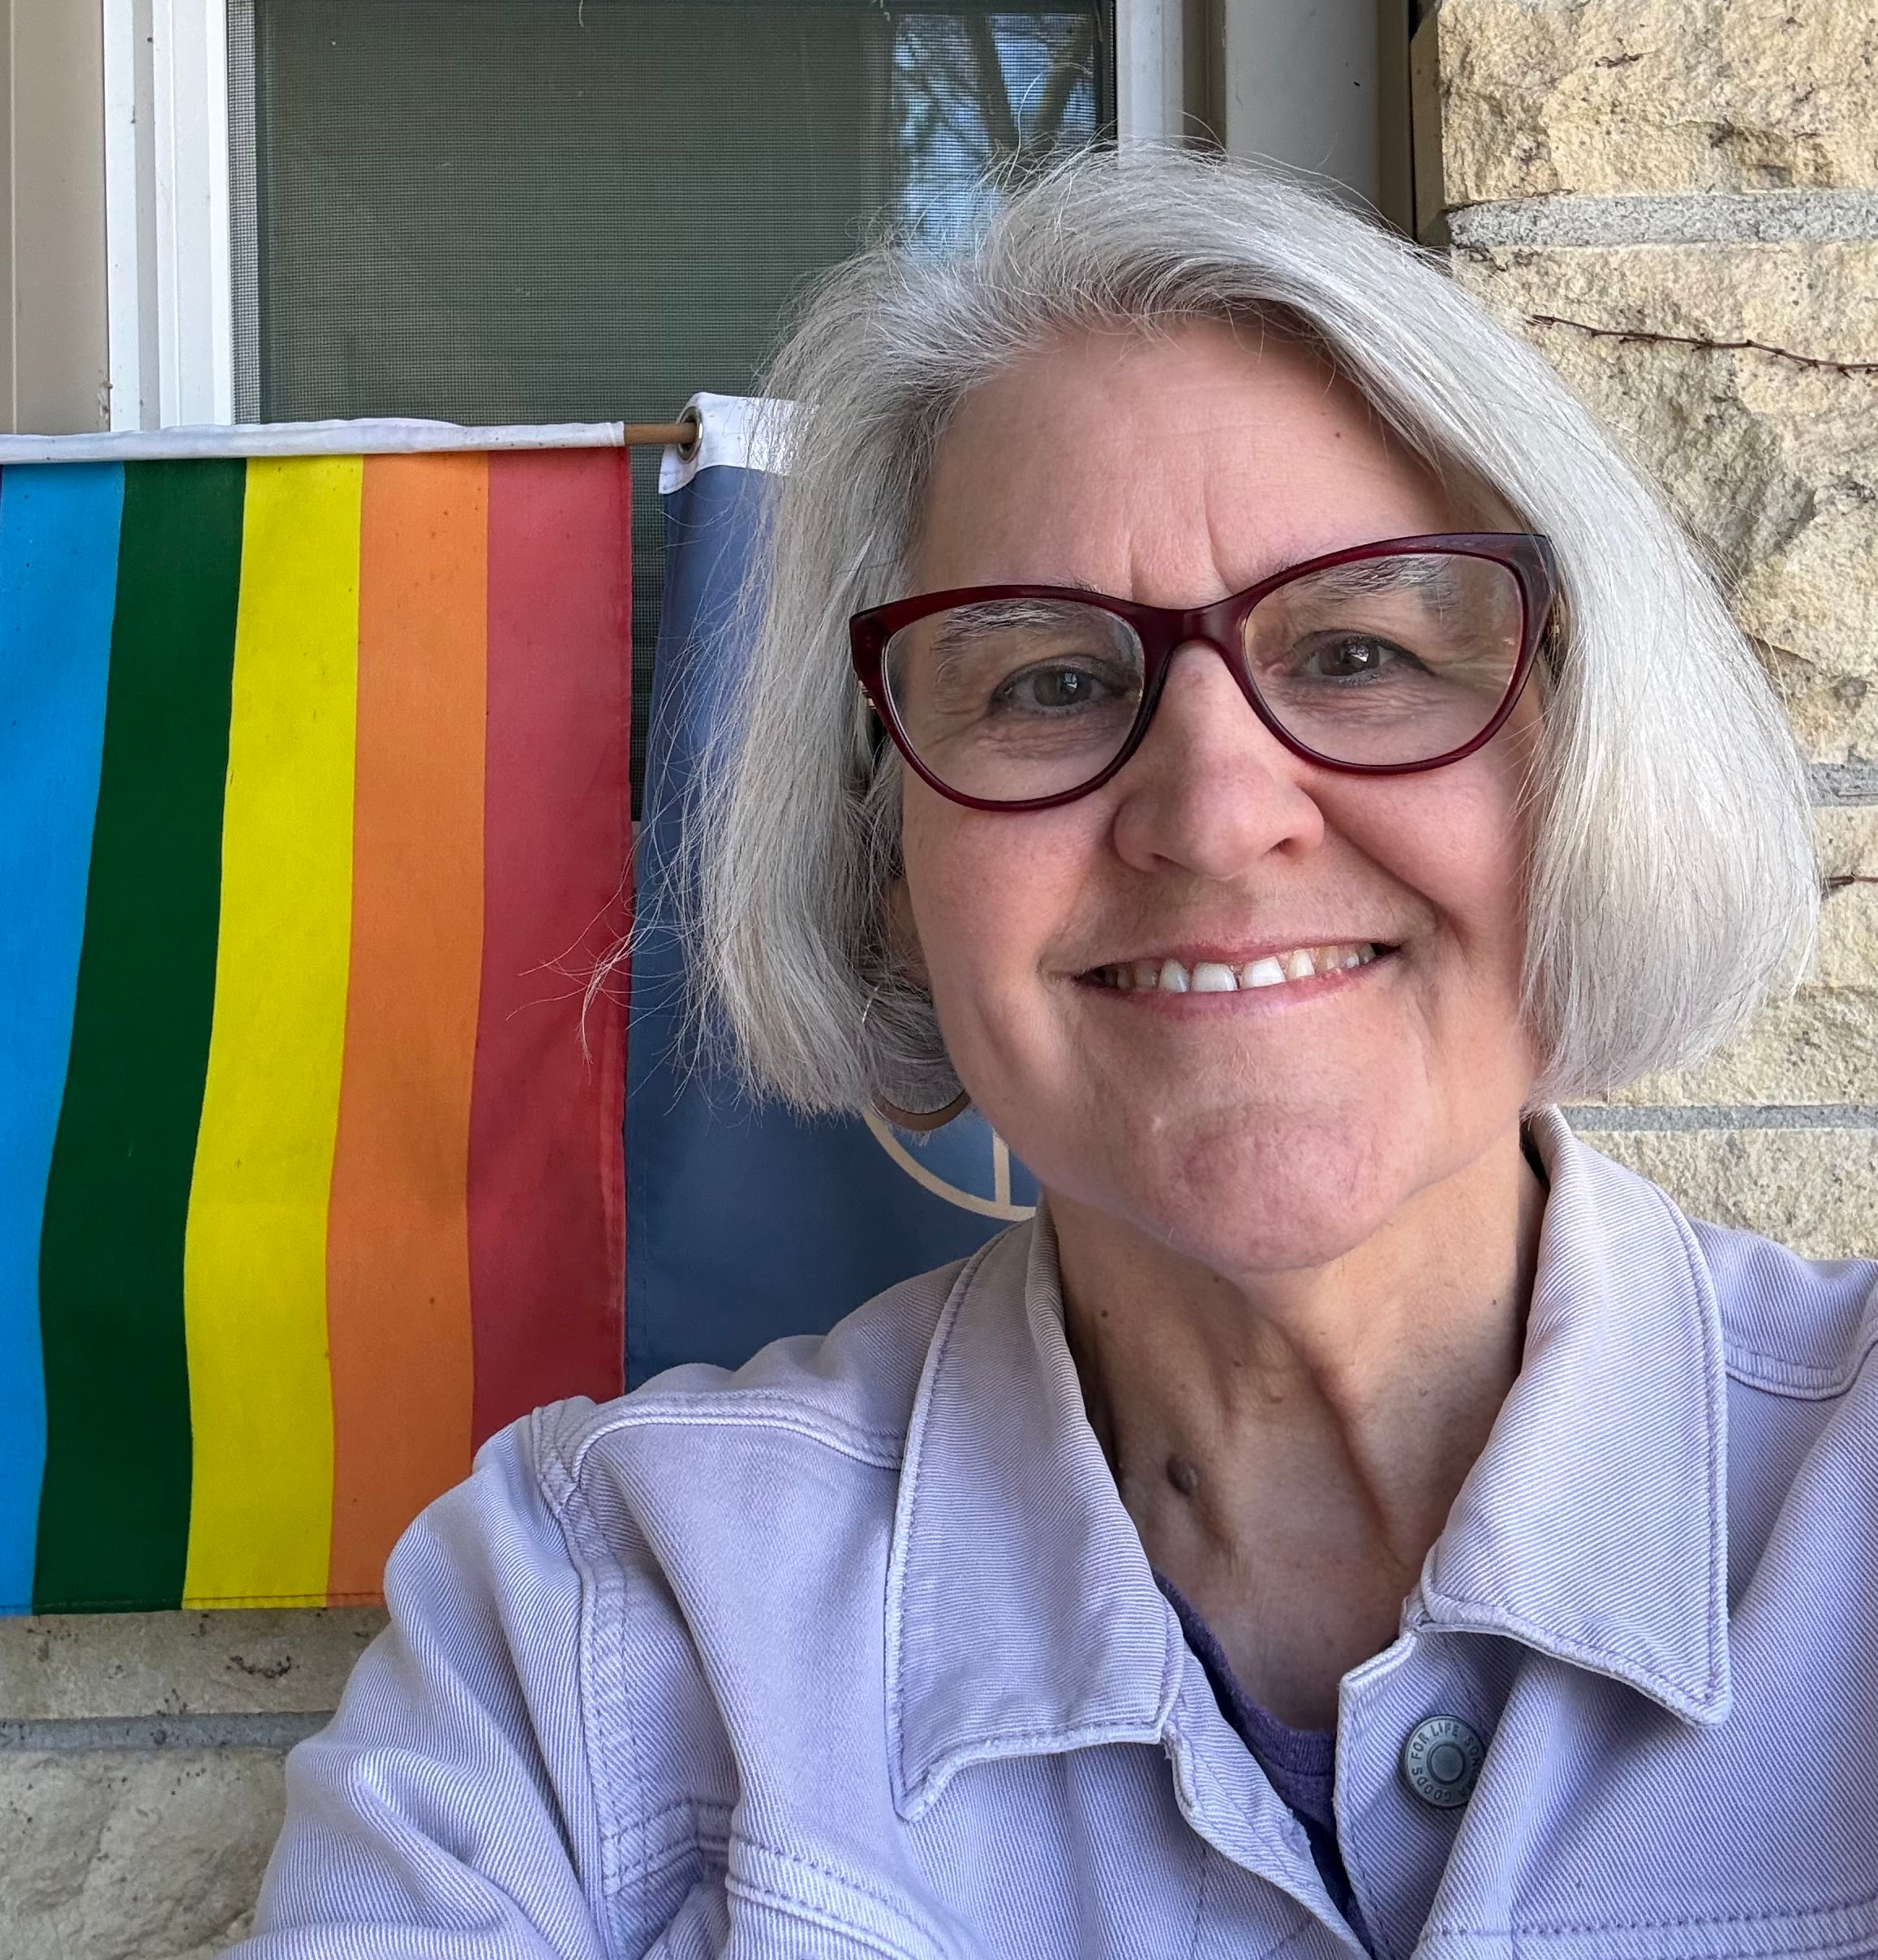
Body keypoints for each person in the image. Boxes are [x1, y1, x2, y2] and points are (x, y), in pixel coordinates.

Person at [236, 154, 1875, 1960]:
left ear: (1587, 776)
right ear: (885, 876)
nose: (1217, 807)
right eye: (1047, 682)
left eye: (1360, 650)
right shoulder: (599, 1611)